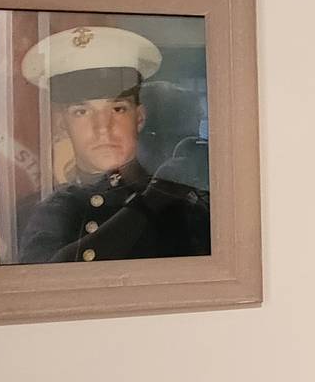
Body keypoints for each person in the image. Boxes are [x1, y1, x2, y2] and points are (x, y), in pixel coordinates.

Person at [14, 25, 211, 263]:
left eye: (118, 109)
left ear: (139, 118)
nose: (103, 127)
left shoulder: (183, 206)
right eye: (81, 112)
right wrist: (151, 201)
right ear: (62, 124)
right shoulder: (35, 214)